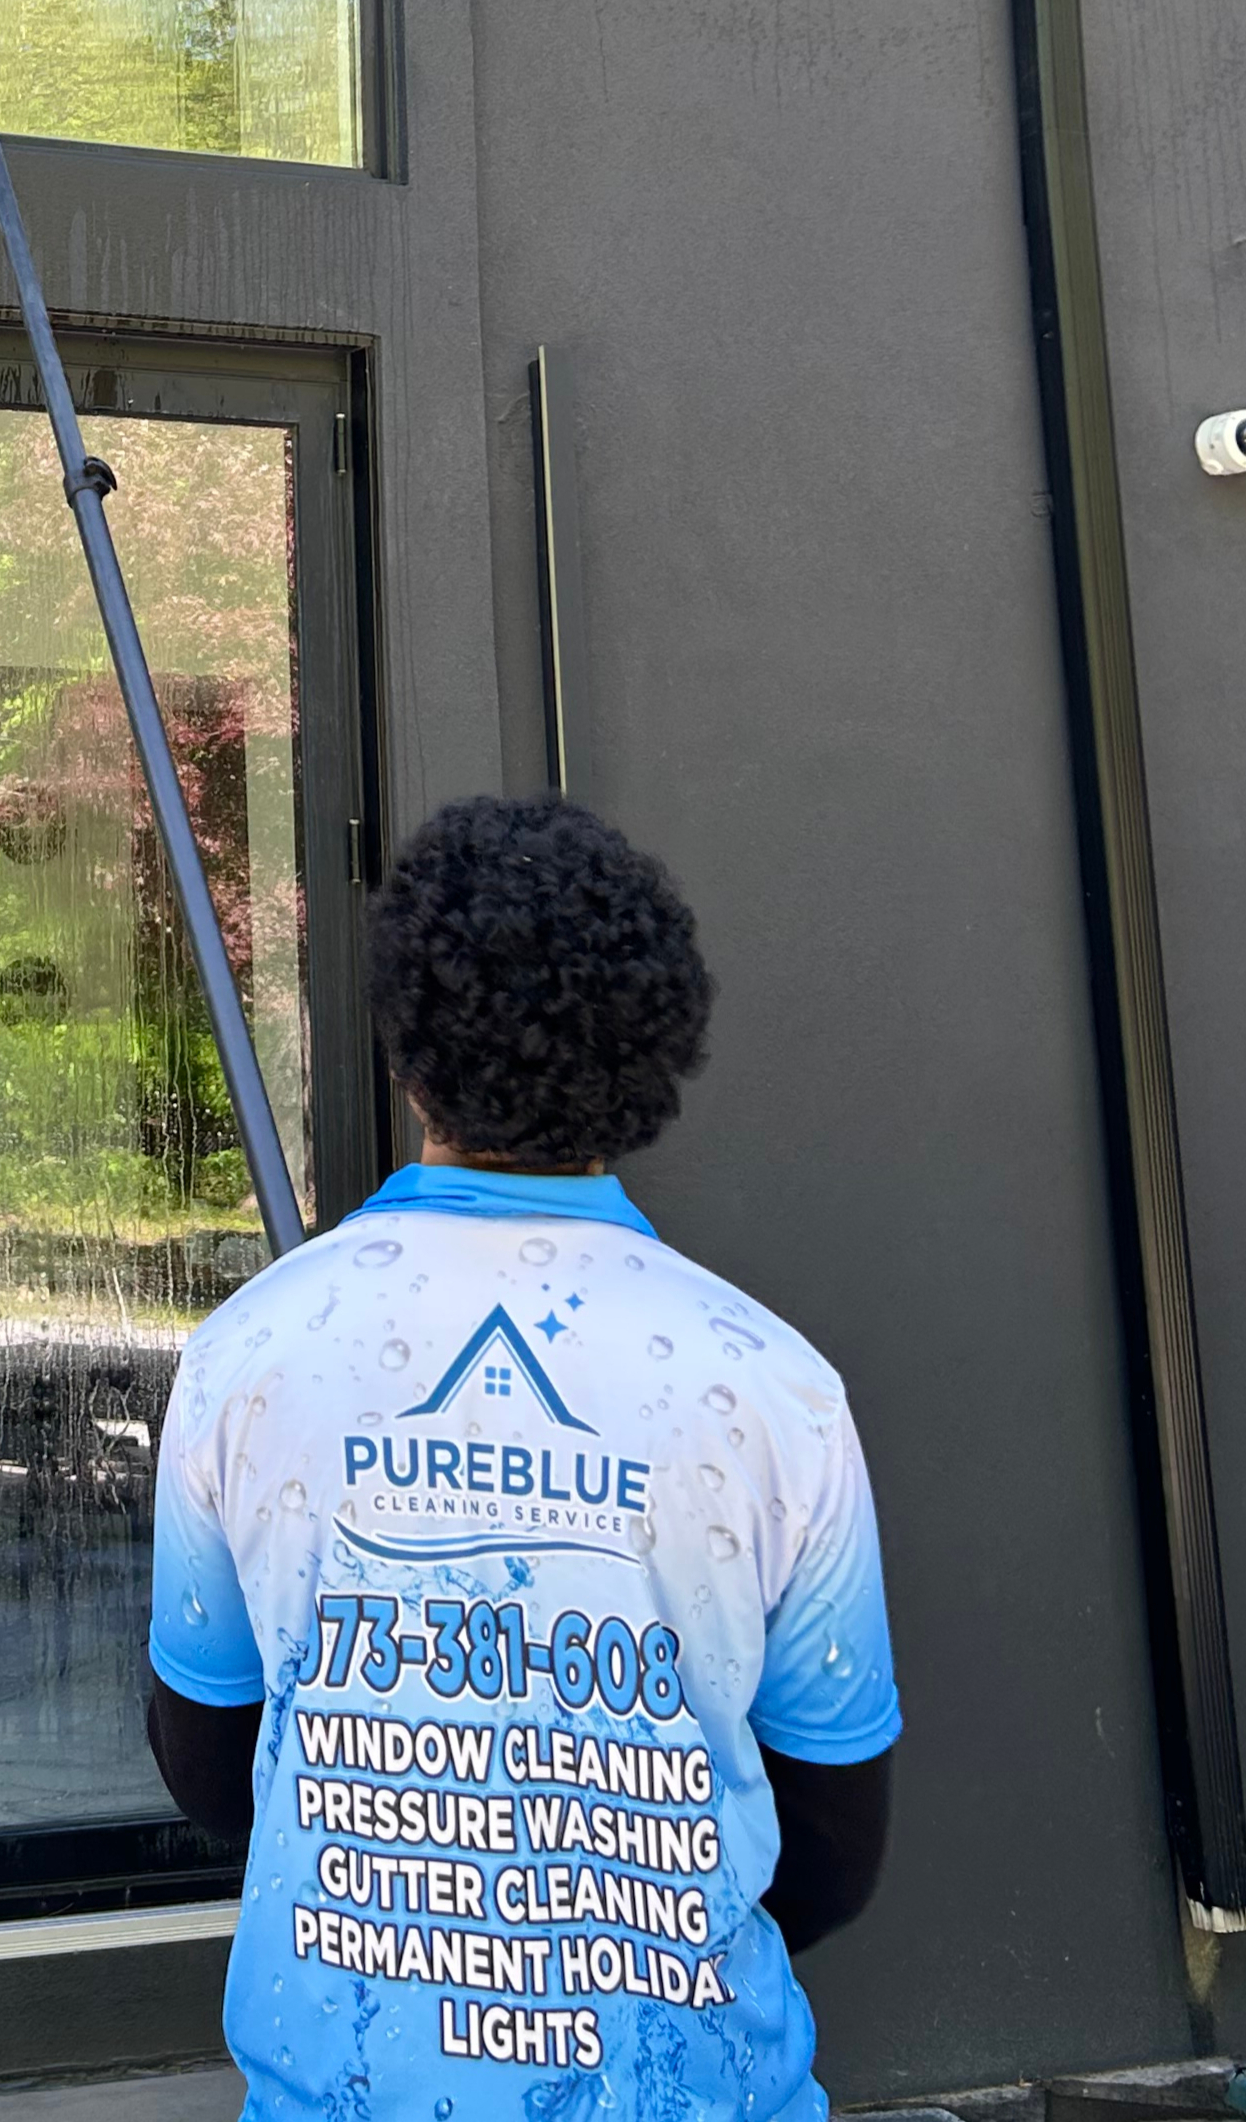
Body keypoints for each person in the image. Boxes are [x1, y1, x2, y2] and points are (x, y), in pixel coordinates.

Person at [147, 794, 898, 2122]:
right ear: (647, 1053)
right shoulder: (774, 1387)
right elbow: (831, 1845)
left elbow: (207, 1760)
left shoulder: (243, 1355)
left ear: (404, 1045)